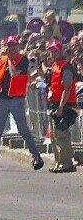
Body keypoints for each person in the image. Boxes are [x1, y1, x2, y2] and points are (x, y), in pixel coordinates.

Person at [0, 35, 44, 171]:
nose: (12, 48)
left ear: (18, 46)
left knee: (23, 129)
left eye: (14, 45)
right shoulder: (3, 60)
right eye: (10, 46)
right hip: (2, 99)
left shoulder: (23, 60)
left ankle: (36, 157)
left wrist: (9, 59)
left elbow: (14, 73)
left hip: (16, 98)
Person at [44, 40, 78, 173]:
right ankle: (59, 162)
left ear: (61, 51)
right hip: (54, 105)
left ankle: (67, 163)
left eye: (56, 50)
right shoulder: (54, 65)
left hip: (63, 105)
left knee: (62, 135)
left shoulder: (66, 67)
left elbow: (67, 88)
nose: (53, 53)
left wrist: (61, 106)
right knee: (53, 136)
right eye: (51, 51)